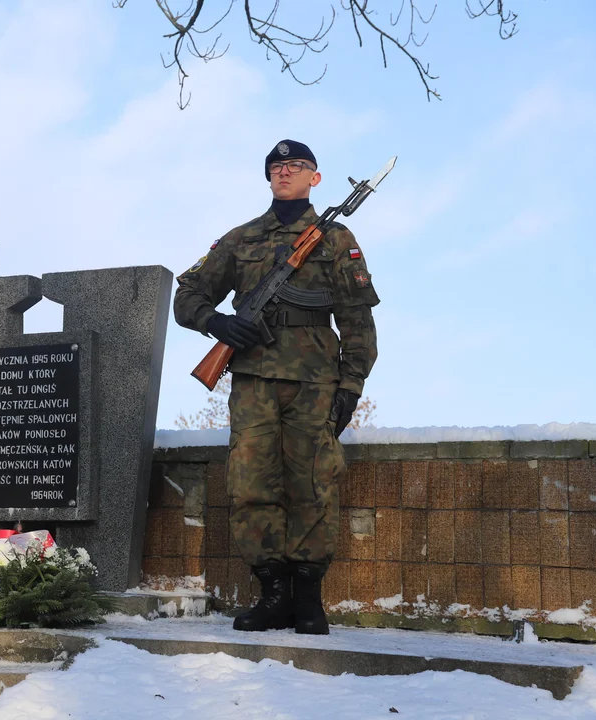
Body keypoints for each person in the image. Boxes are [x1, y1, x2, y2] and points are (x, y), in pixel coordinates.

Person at [173, 140, 379, 635]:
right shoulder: (241, 239)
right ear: (268, 178)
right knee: (249, 486)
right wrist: (216, 324)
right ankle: (272, 593)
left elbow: (356, 320)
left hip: (315, 384)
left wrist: (351, 384)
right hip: (252, 384)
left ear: (316, 177)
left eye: (297, 166)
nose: (285, 172)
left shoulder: (335, 237)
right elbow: (188, 294)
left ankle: (308, 599)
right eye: (277, 167)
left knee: (314, 484)